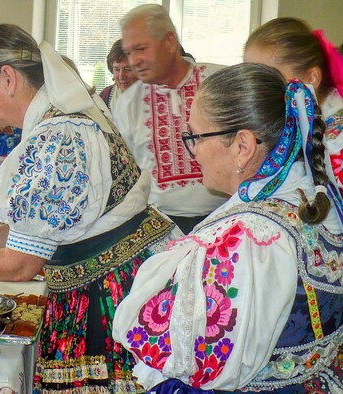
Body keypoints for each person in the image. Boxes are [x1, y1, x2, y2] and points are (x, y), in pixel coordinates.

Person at [0, 24, 182, 392]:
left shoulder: (58, 138)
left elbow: (21, 263)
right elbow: (42, 228)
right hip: (120, 273)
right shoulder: (65, 119)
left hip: (108, 291)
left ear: (8, 78)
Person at [113, 63, 343, 393]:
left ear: (242, 146)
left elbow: (182, 355)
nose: (191, 152)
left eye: (194, 136)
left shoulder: (248, 239)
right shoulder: (314, 206)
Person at [114, 4, 228, 234]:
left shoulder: (221, 81)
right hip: (161, 227)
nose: (133, 61)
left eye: (141, 49)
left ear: (169, 42)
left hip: (226, 219)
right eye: (129, 53)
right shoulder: (128, 104)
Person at [244, 17, 343, 191]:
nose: (256, 89)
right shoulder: (295, 120)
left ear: (311, 78)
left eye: (269, 78)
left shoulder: (335, 143)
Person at [99, 39, 138, 114]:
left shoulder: (156, 98)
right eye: (116, 69)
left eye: (128, 69)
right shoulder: (106, 95)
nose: (121, 76)